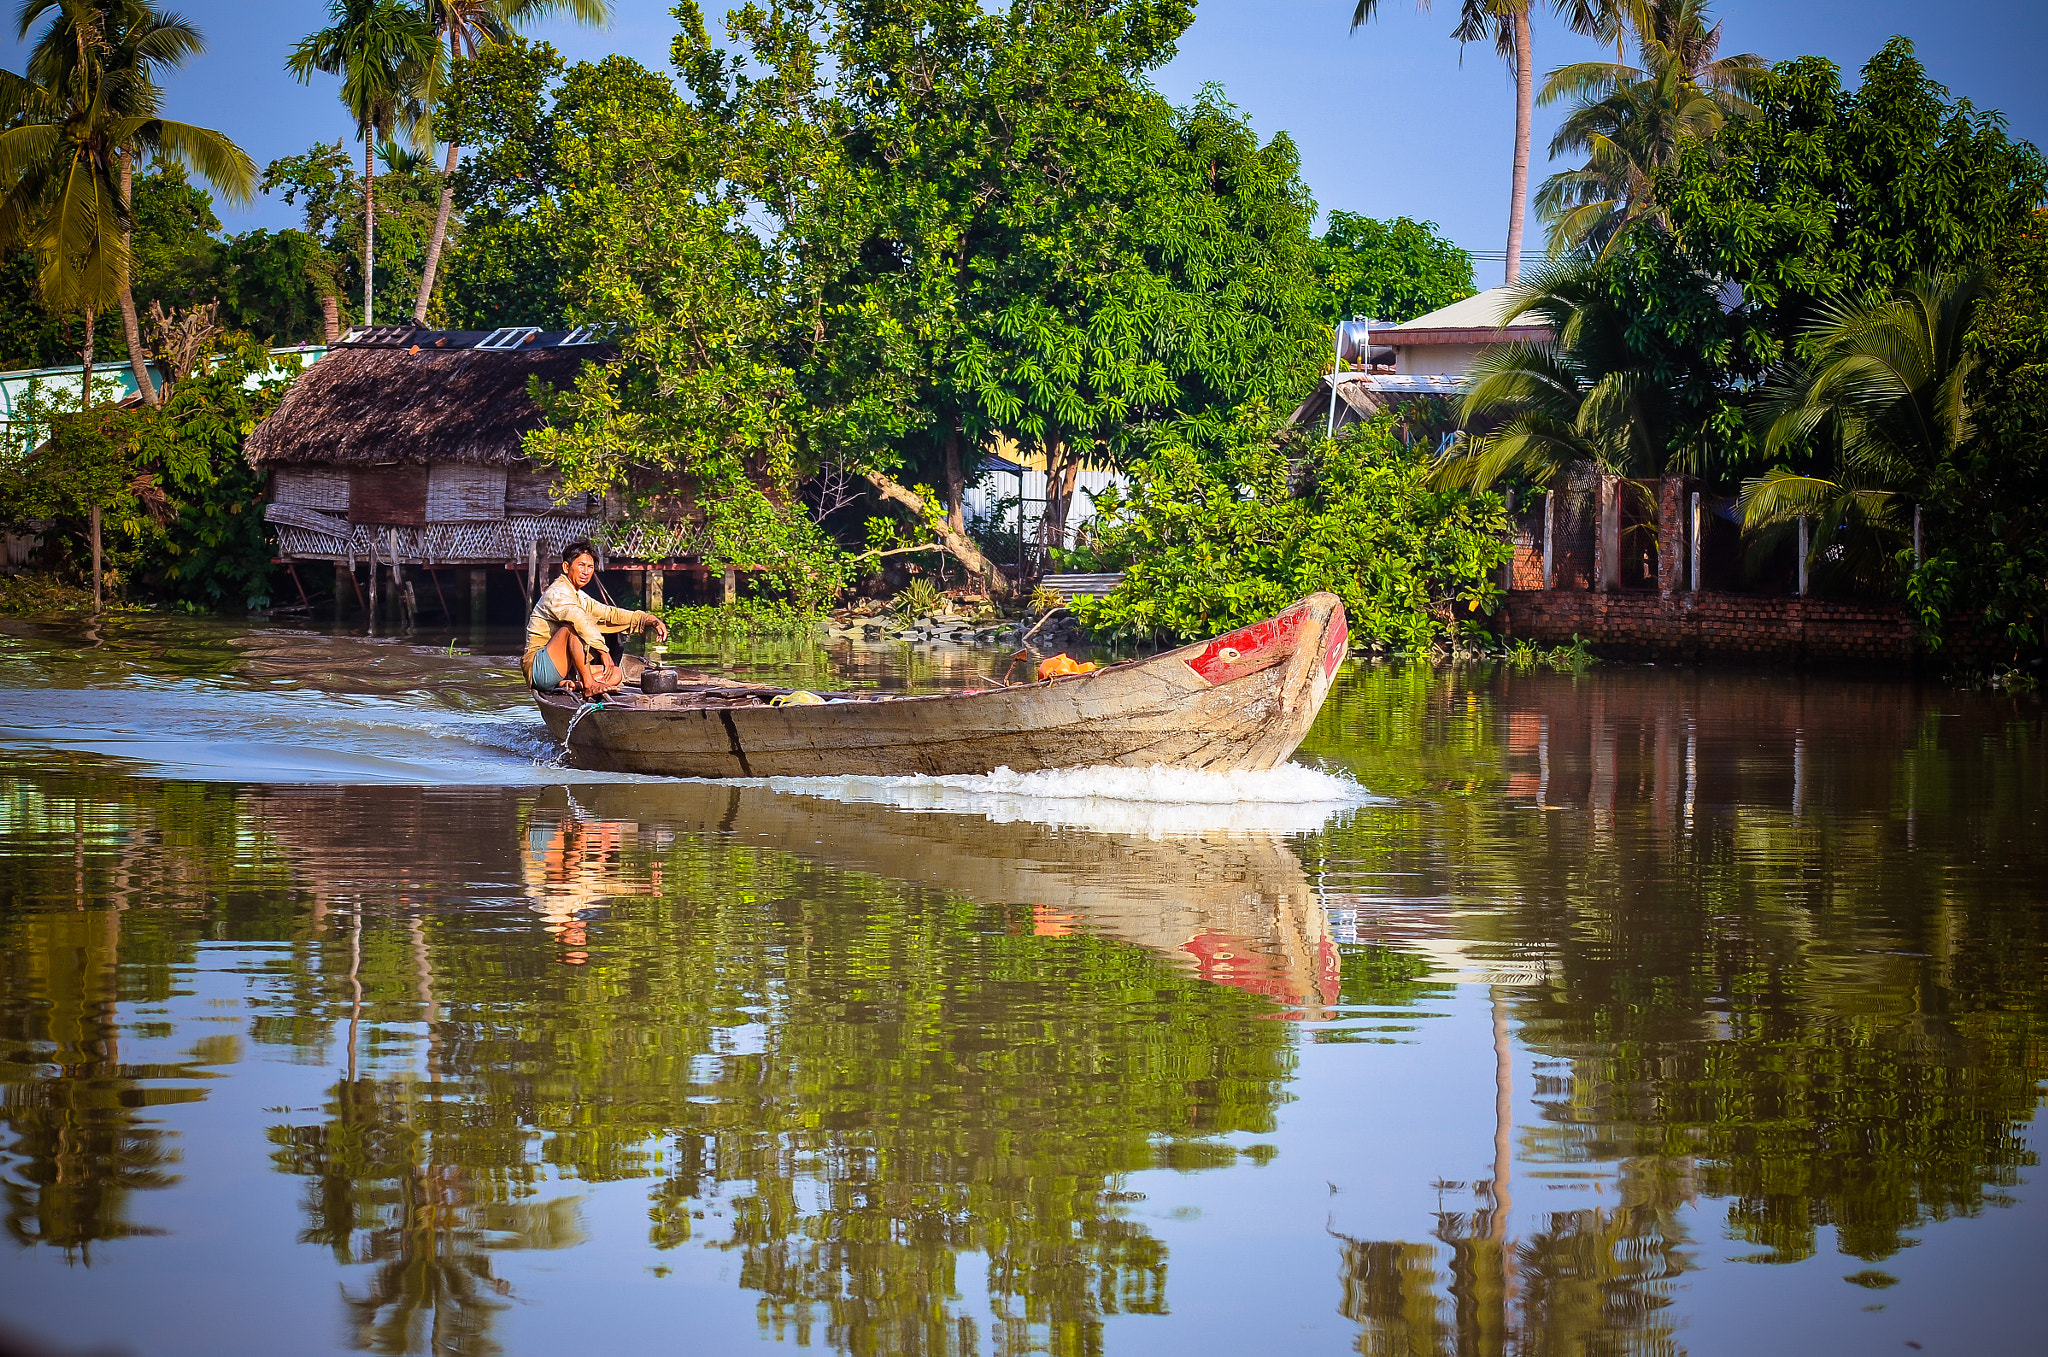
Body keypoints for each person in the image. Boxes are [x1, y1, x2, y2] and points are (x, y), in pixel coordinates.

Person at [523, 539, 668, 696]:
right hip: (539, 670)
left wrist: (647, 619)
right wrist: (603, 652)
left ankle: (572, 684)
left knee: (616, 674)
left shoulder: (579, 596)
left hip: (563, 671)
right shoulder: (557, 593)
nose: (586, 571)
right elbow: (579, 620)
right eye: (581, 565)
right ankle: (589, 685)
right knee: (571, 628)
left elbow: (609, 614)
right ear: (566, 567)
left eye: (590, 567)